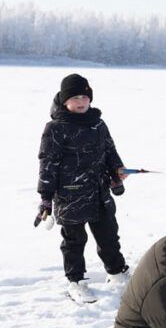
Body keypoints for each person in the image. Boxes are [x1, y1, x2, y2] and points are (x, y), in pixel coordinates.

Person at [35, 73, 130, 301]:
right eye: (75, 97)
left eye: (85, 97)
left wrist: (117, 170)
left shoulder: (98, 123)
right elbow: (47, 164)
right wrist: (46, 198)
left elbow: (110, 151)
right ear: (64, 100)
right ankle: (76, 282)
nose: (81, 101)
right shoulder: (56, 128)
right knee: (74, 242)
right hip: (70, 196)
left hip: (99, 192)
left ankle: (117, 273)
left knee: (109, 236)